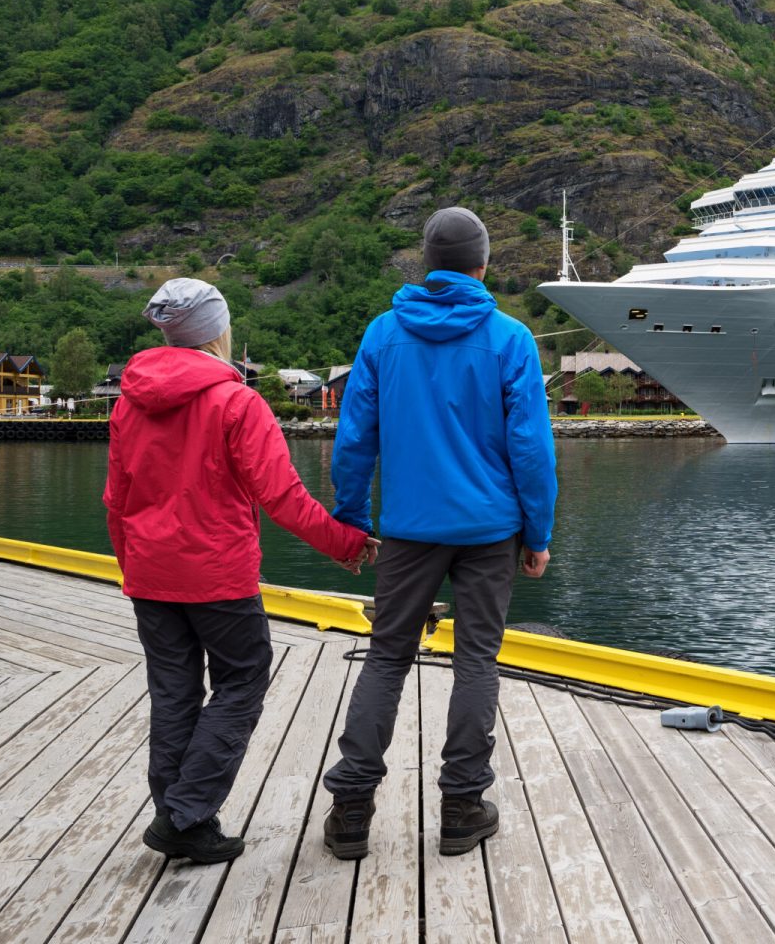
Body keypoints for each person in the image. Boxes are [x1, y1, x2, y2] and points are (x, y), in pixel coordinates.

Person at [105, 278, 376, 863]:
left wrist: (134, 569)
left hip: (150, 574)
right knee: (243, 680)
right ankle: (186, 813)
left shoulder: (130, 400)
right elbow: (283, 499)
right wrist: (349, 545)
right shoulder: (237, 402)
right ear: (217, 332)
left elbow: (116, 500)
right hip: (217, 576)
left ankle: (176, 814)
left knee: (173, 693)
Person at [322, 207, 557, 860]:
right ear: (483, 264)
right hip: (490, 531)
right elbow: (532, 450)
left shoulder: (383, 335)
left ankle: (350, 811)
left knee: (387, 657)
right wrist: (537, 534)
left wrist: (352, 521)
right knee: (476, 660)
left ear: (428, 263)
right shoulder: (511, 339)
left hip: (408, 531)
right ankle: (461, 806)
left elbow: (354, 440)